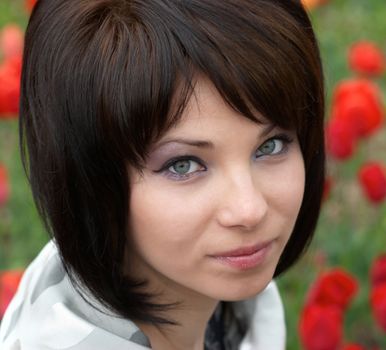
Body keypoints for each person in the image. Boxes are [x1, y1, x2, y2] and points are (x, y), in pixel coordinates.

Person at [0, 0, 325, 349]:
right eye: (182, 165)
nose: (249, 210)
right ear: (91, 177)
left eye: (271, 146)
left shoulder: (229, 307)